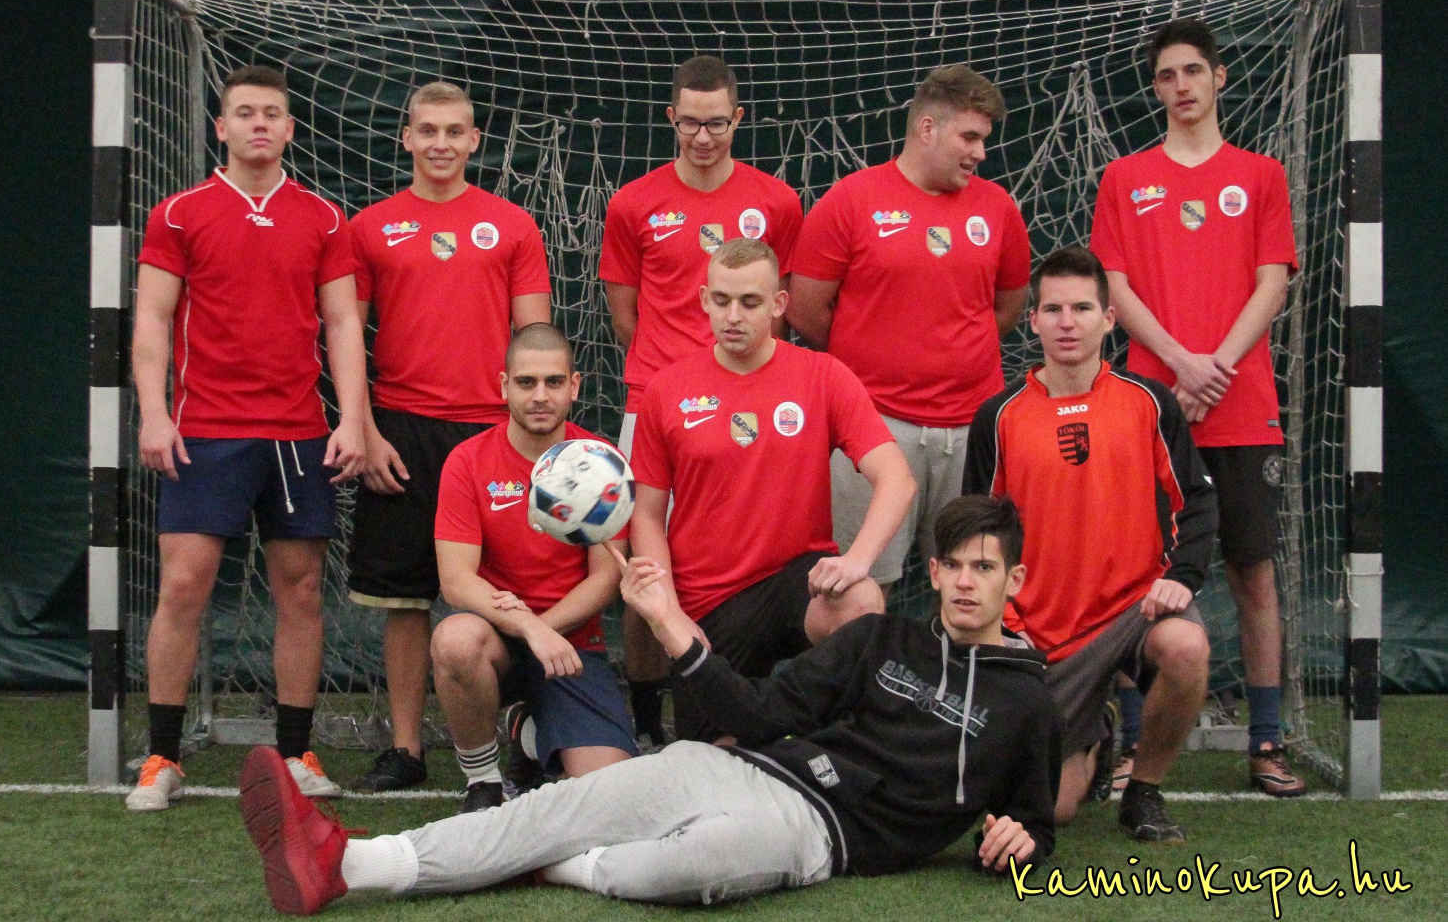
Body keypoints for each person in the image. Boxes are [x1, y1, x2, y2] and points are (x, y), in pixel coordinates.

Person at [237, 495, 1061, 915]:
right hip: (745, 769)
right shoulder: (881, 640)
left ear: (1014, 580)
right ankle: (345, 863)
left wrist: (1021, 843)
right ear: (934, 572)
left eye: (984, 568)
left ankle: (548, 862)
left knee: (691, 865)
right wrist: (669, 625)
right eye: (953, 565)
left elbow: (1033, 824)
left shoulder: (1029, 703)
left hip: (822, 835)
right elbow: (759, 712)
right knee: (562, 806)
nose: (965, 583)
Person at [126, 65, 367, 811]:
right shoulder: (179, 214)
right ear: (222, 127)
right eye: (245, 113)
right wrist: (154, 413)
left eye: (272, 114)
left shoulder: (323, 218)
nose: (259, 124)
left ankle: (295, 753)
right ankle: (162, 757)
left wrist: (352, 418)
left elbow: (343, 322)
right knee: (183, 587)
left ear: (290, 129)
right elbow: (152, 319)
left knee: (301, 590)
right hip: (205, 432)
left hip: (299, 435)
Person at [1089, 17, 1306, 798]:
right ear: (1155, 89)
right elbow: (1113, 285)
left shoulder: (1261, 175)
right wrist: (1180, 365)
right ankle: (1132, 742)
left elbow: (1273, 281)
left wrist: (1215, 368)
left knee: (1252, 571)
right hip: (1152, 407)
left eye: (1192, 71)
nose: (1180, 86)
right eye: (1166, 76)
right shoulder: (1124, 178)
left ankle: (1267, 740)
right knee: (1136, 577)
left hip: (1241, 407)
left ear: (1220, 78)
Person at [964, 246, 1218, 844]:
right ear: (1033, 321)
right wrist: (999, 619)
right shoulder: (998, 417)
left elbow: (1197, 501)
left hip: (1134, 608)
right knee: (1052, 811)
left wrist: (1181, 576)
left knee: (1186, 646)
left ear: (1108, 319)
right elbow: (979, 530)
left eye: (1081, 308)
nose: (1067, 322)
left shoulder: (1150, 403)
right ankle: (1095, 737)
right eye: (1053, 309)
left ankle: (1144, 791)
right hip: (1040, 629)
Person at [346, 81, 552, 792]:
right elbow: (346, 335)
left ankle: (523, 736)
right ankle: (407, 748)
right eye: (427, 130)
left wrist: (527, 435)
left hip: (492, 434)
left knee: (512, 591)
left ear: (474, 140)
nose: (441, 143)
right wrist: (364, 428)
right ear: (406, 138)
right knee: (405, 601)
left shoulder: (513, 225)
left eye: (454, 131)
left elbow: (535, 342)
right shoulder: (370, 227)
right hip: (399, 431)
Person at [629, 238, 916, 741]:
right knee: (717, 761)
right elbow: (647, 514)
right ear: (703, 300)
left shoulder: (822, 376)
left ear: (779, 304)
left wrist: (859, 559)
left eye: (750, 302)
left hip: (797, 582)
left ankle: (843, 738)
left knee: (860, 599)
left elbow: (897, 477)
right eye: (721, 300)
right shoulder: (667, 389)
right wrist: (671, 613)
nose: (733, 316)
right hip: (708, 601)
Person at [599, 54, 803, 745]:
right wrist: (678, 381)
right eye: (690, 123)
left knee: (747, 558)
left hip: (750, 410)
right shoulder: (633, 203)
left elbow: (782, 305)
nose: (703, 137)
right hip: (656, 404)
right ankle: (645, 720)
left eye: (717, 123)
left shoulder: (777, 201)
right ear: (670, 118)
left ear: (738, 119)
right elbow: (625, 314)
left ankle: (740, 706)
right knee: (644, 567)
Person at [789, 64, 1031, 590]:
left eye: (984, 140)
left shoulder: (998, 208)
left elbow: (1009, 305)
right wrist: (870, 356)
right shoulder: (851, 200)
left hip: (972, 430)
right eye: (969, 137)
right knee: (859, 587)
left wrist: (954, 353)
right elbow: (805, 310)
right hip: (872, 429)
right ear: (927, 128)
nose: (980, 152)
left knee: (974, 585)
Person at [430, 323, 637, 812]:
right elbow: (456, 581)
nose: (540, 396)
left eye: (553, 382)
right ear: (504, 385)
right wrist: (528, 628)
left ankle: (529, 735)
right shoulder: (467, 461)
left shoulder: (603, 464)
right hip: (497, 641)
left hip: (571, 647)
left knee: (610, 795)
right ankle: (483, 781)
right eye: (526, 382)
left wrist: (545, 630)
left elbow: (605, 577)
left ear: (575, 386)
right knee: (455, 639)